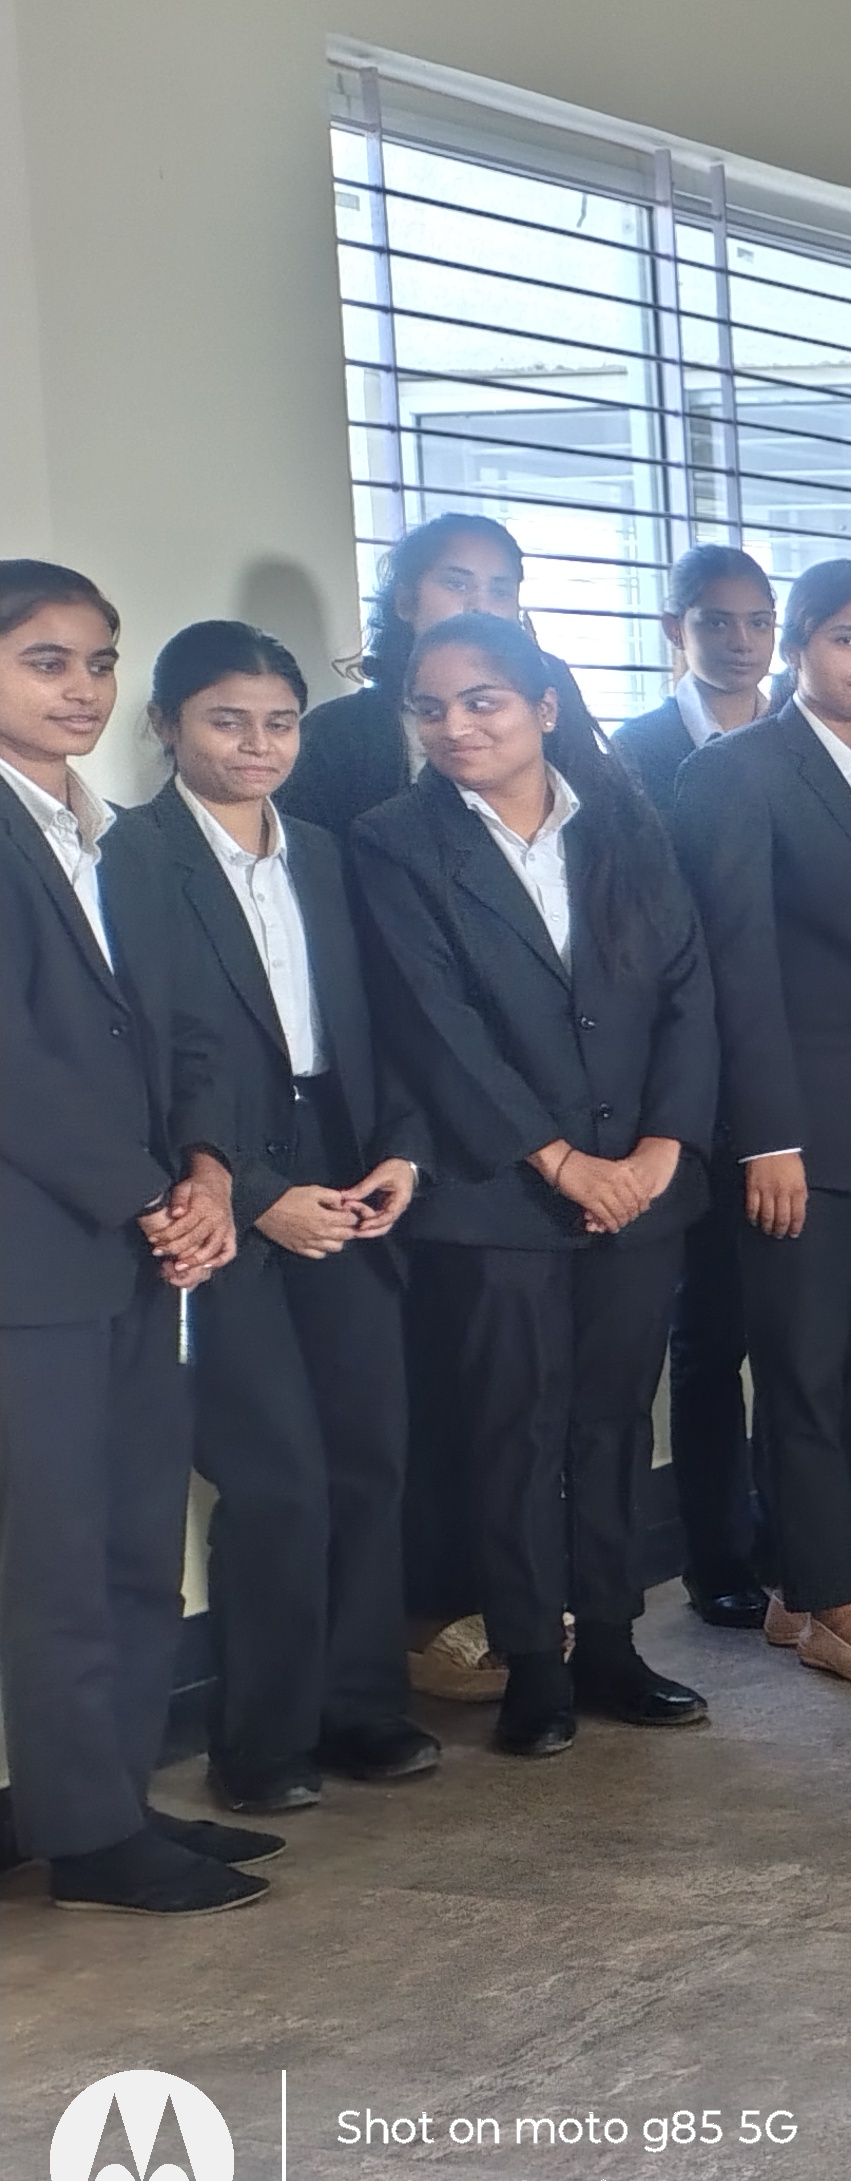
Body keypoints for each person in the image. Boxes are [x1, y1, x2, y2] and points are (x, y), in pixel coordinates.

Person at [356, 610, 718, 1755]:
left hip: (640, 1187)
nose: (455, 727)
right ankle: (533, 1663)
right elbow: (436, 1029)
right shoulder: (394, 841)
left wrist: (662, 1148)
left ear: (544, 708)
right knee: (514, 1429)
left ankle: (610, 1641)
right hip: (498, 1194)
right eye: (429, 708)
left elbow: (687, 992)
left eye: (483, 703)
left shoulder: (624, 821)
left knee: (613, 1423)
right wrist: (559, 1160)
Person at [104, 623, 435, 1813]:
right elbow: (142, 1058)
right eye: (225, 720)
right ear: (166, 726)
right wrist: (253, 1195)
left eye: (280, 722)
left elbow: (386, 1023)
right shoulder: (128, 859)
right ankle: (261, 1742)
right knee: (275, 1475)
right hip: (217, 1186)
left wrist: (403, 1150)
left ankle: (362, 1709)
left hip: (344, 1165)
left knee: (368, 1456)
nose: (257, 744)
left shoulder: (328, 855)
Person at [0, 560, 268, 1913]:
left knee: (136, 1538)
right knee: (55, 1556)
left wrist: (211, 1170)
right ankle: (85, 1834)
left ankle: (113, 1796)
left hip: (141, 1247)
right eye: (46, 661)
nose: (83, 689)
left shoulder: (118, 838)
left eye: (99, 662)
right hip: (34, 1257)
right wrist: (148, 1195)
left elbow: (194, 1033)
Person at [668, 559, 851, 1687]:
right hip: (796, 1137)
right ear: (798, 646)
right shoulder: (736, 772)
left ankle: (806, 1583)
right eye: (849, 640)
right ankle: (835, 1607)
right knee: (801, 1371)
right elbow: (733, 969)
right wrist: (765, 1137)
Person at [274, 512, 605, 833]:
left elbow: (597, 819)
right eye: (456, 584)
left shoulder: (549, 686)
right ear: (406, 601)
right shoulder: (338, 731)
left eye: (500, 591)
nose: (480, 605)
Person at [609, 544, 779, 806]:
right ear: (674, 629)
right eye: (717, 623)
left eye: (758, 623)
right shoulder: (637, 746)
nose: (742, 642)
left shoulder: (795, 735)